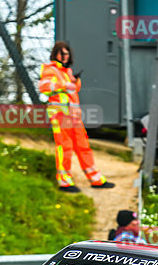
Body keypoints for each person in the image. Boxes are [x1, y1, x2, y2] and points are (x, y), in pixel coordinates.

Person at [39, 41, 115, 193]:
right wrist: (64, 86)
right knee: (65, 147)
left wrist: (74, 82)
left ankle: (95, 178)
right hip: (60, 115)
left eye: (67, 53)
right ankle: (64, 181)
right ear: (55, 54)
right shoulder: (50, 70)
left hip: (73, 116)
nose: (65, 56)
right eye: (62, 53)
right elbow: (44, 88)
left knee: (83, 146)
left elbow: (73, 91)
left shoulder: (67, 72)